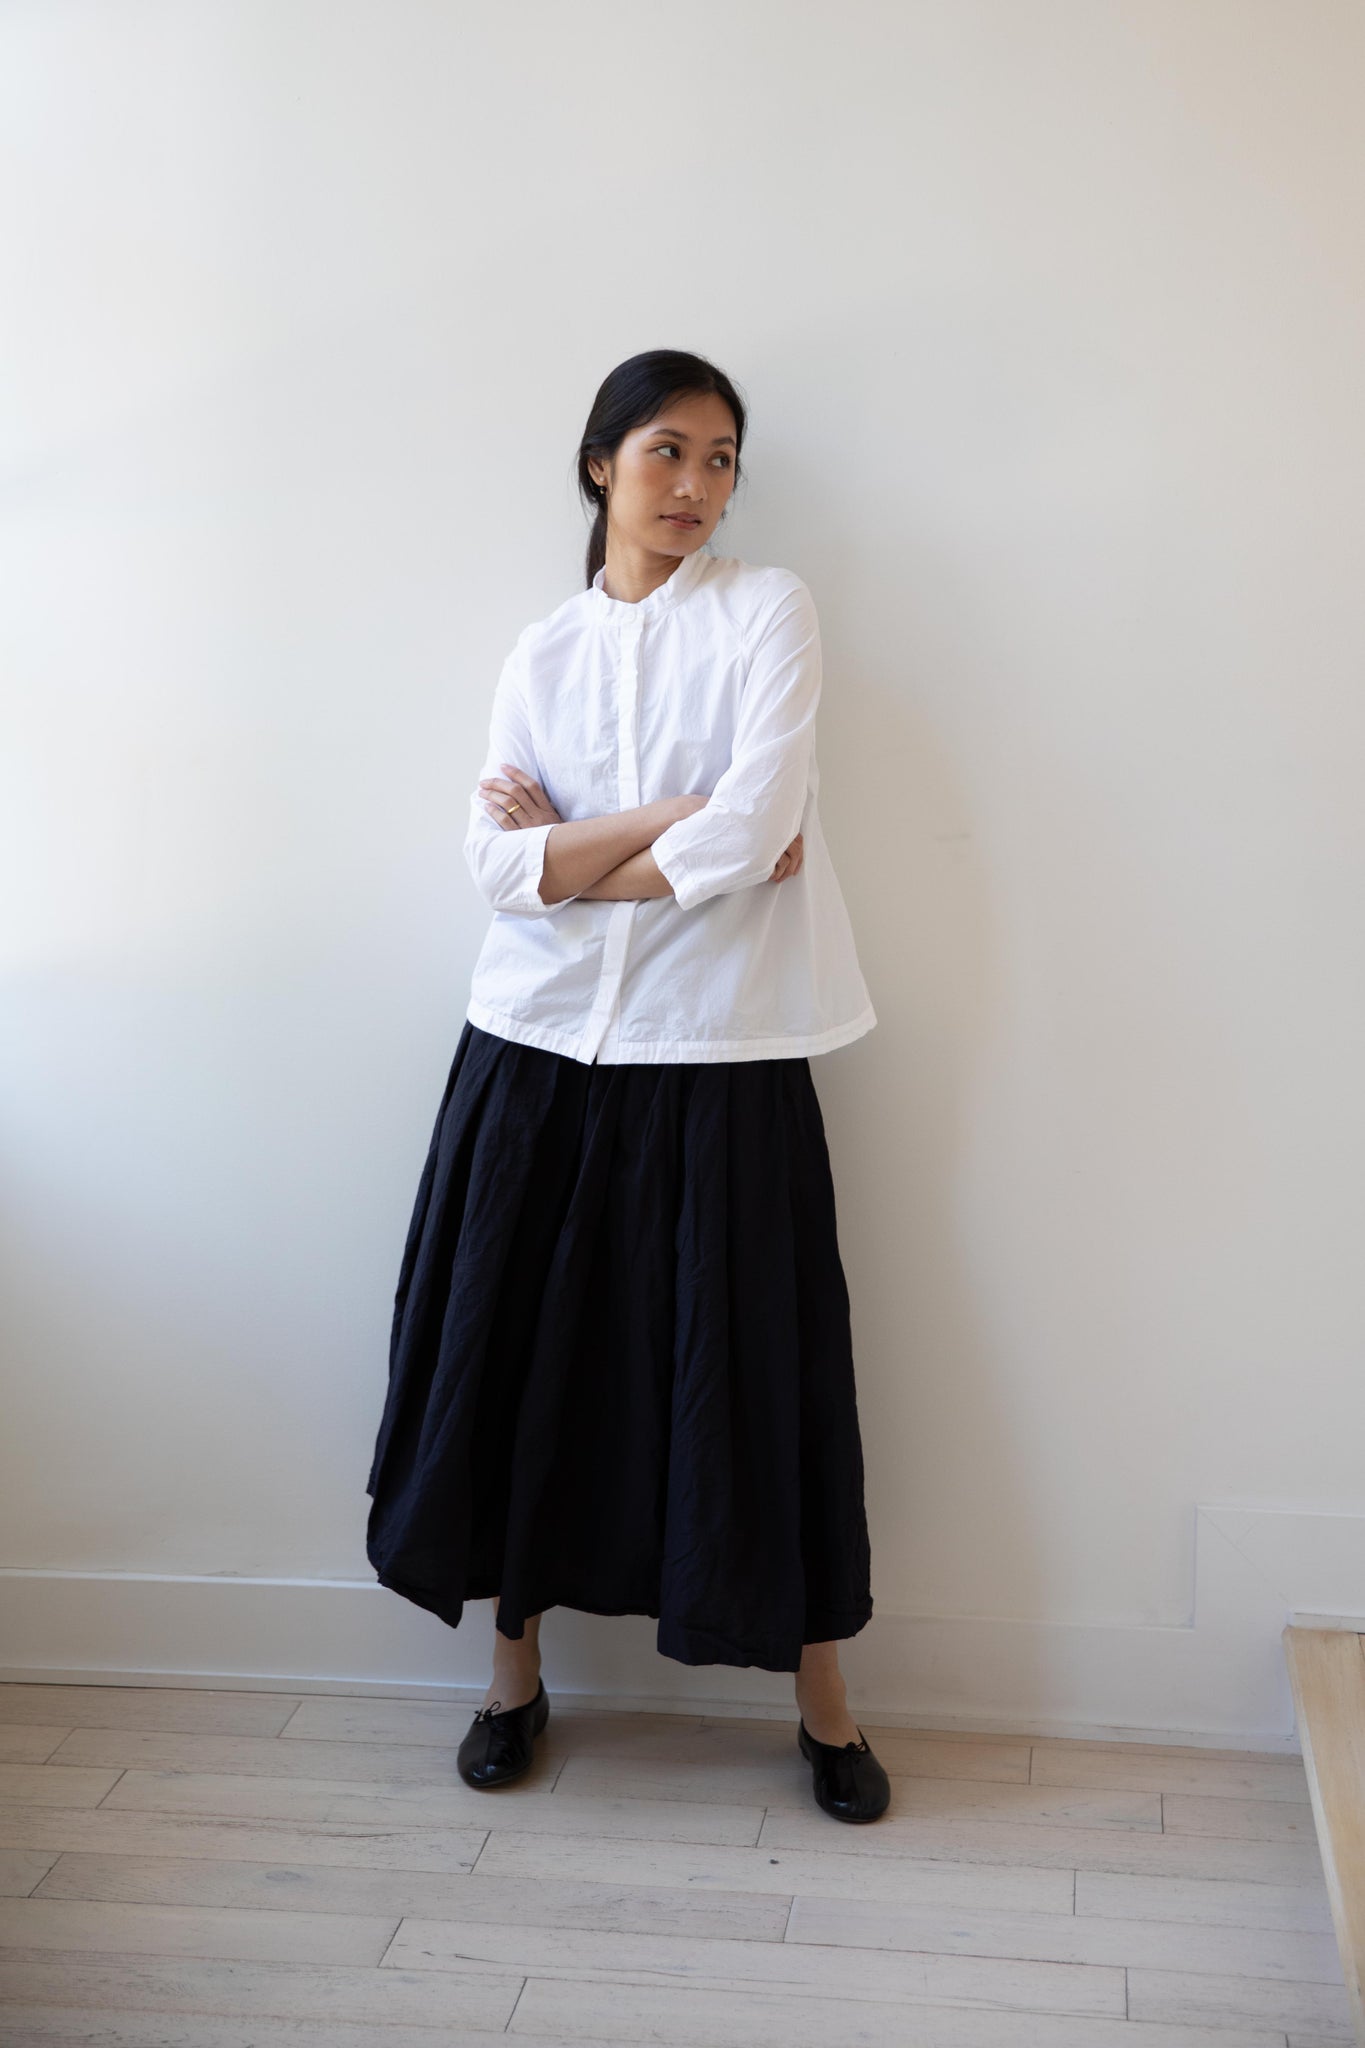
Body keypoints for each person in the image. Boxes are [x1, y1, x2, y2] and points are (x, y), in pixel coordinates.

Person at [365, 348, 889, 1822]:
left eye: (721, 460)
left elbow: (756, 832)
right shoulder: (540, 650)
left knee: (756, 1375)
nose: (697, 485)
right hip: (532, 1053)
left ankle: (826, 1708)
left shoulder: (770, 610)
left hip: (720, 1048)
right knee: (517, 1364)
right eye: (669, 451)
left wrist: (577, 857)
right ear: (602, 462)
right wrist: (666, 820)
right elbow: (495, 868)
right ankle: (512, 1682)